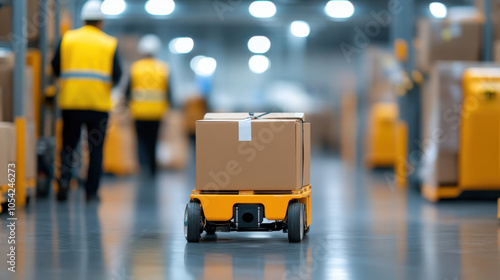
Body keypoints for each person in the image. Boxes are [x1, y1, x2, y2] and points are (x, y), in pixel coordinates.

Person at [51, 0, 122, 202]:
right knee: (95, 150)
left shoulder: (68, 39)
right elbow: (117, 75)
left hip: (71, 102)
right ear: (101, 21)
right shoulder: (109, 43)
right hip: (98, 105)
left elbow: (55, 67)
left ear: (83, 20)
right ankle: (91, 192)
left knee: (68, 146)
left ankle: (63, 183)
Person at [125, 34, 172, 177]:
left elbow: (127, 91)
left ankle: (142, 166)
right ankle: (152, 169)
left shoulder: (135, 68)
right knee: (153, 141)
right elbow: (169, 92)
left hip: (138, 112)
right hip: (156, 113)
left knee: (140, 141)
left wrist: (127, 106)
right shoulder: (163, 68)